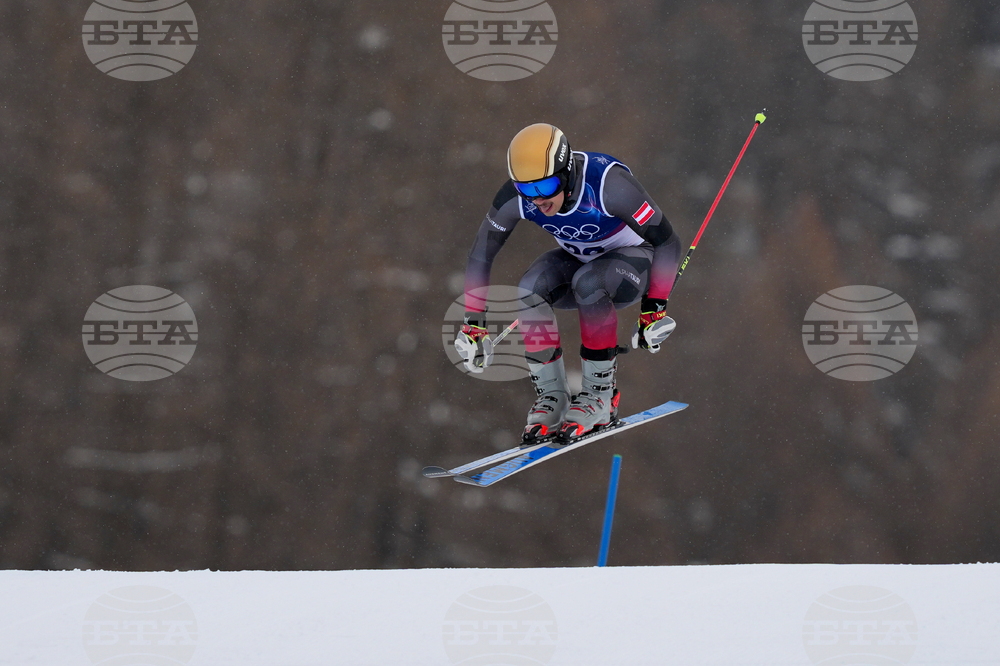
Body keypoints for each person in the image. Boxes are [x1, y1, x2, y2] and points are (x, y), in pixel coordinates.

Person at [455, 123, 682, 443]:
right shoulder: (520, 196)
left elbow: (668, 242)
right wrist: (474, 324)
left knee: (588, 282)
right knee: (530, 288)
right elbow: (480, 256)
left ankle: (599, 397)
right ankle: (553, 397)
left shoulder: (608, 186)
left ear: (565, 174)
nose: (537, 200)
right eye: (526, 190)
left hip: (632, 262)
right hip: (582, 258)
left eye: (545, 187)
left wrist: (654, 308)